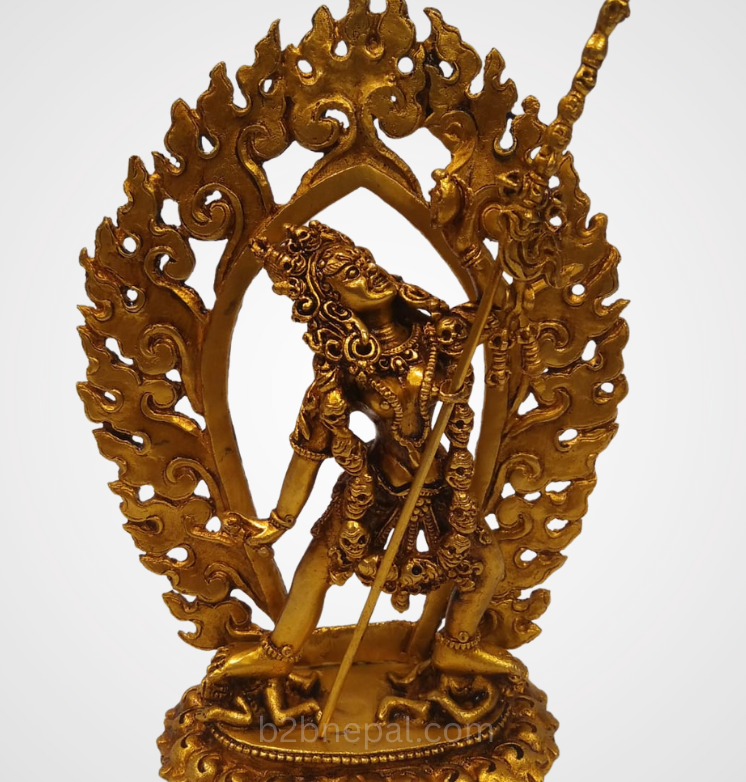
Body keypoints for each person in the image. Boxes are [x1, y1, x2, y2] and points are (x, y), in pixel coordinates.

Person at [205, 221, 524, 687]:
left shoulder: (437, 335)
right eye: (349, 274)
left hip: (441, 482)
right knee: (316, 568)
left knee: (488, 564)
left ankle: (455, 646)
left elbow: (496, 309)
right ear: (334, 302)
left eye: (364, 261)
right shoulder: (345, 371)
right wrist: (278, 521)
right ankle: (280, 653)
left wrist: (475, 244)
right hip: (377, 485)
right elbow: (310, 451)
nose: (368, 272)